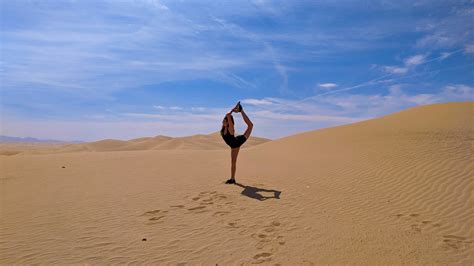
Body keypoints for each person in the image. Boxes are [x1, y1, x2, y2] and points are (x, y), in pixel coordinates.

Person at [220, 101, 253, 184]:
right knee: (233, 162)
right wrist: (233, 109)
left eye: (225, 120)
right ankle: (232, 179)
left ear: (228, 122)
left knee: (250, 126)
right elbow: (228, 114)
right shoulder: (223, 128)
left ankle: (241, 110)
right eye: (224, 119)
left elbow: (229, 118)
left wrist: (235, 112)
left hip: (236, 143)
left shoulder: (231, 129)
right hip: (234, 143)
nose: (223, 121)